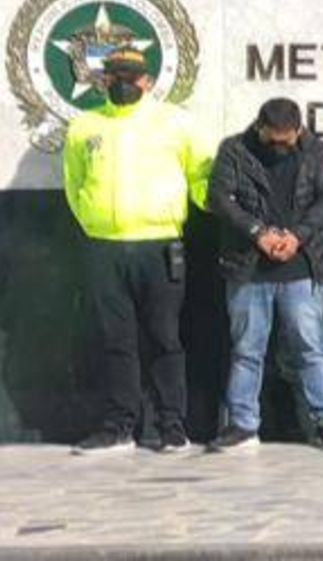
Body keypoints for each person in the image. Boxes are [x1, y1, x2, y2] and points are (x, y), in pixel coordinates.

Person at [63, 47, 213, 454]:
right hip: (104, 248)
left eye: (131, 76)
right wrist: (94, 222)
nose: (123, 83)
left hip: (160, 245)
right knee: (116, 341)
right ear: (104, 80)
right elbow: (74, 184)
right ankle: (119, 427)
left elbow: (202, 175)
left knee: (165, 337)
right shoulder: (84, 126)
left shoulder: (175, 123)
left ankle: (172, 426)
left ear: (147, 81)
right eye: (115, 76)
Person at [207, 98, 323, 451]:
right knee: (247, 350)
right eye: (274, 140)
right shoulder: (234, 150)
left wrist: (297, 236)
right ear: (260, 128)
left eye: (288, 140)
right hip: (248, 267)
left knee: (310, 347)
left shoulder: (315, 150)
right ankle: (242, 424)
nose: (281, 147)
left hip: (301, 266)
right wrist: (258, 233)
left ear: (298, 130)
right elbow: (219, 198)